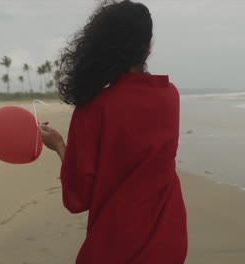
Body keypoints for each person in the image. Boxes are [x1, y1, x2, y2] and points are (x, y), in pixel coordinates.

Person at [39, 1, 187, 263]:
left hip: (116, 247)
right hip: (170, 241)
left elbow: (78, 197)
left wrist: (60, 145)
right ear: (148, 48)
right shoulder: (170, 96)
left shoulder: (94, 109)